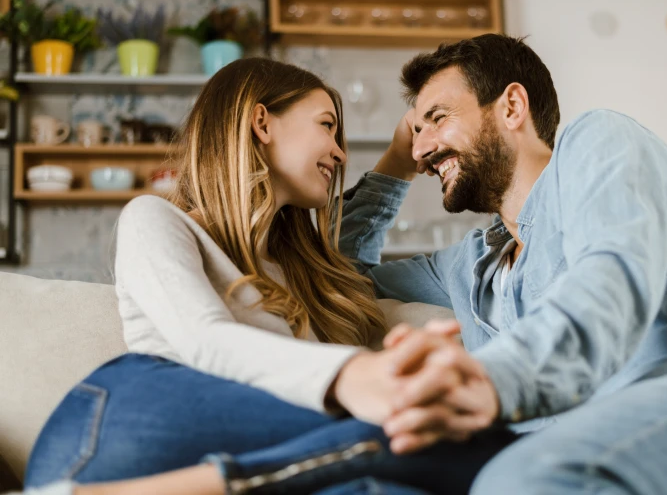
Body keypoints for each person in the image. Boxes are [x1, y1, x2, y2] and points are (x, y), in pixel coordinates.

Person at [337, 34, 667, 493]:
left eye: (439, 117)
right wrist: (395, 164)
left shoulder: (600, 144)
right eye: (415, 132)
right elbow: (339, 275)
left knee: (519, 482)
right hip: (596, 451)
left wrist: (492, 379)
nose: (423, 148)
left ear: (512, 106)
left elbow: (608, 284)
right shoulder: (467, 266)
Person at [23, 58, 516, 495]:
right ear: (262, 122)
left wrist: (400, 162)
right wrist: (351, 377)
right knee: (458, 436)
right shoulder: (156, 217)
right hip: (118, 426)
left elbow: (349, 258)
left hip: (254, 461)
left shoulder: (303, 275)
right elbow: (204, 341)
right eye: (327, 125)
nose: (340, 153)